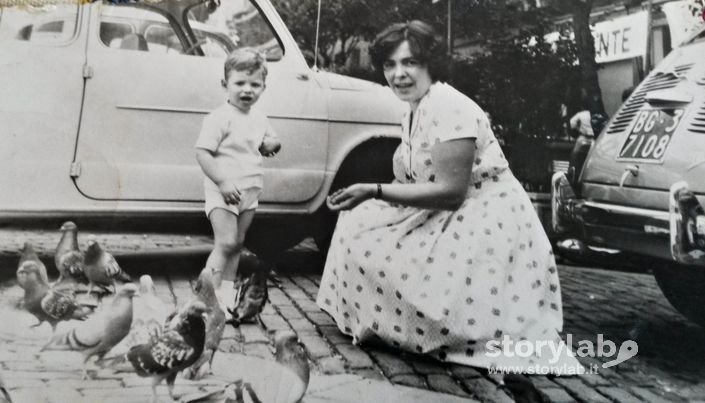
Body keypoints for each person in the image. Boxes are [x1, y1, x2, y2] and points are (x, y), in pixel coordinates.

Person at [316, 21, 582, 373]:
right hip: (445, 210)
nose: (399, 74)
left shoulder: (448, 106)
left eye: (410, 63)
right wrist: (375, 198)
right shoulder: (413, 108)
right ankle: (388, 320)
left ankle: (420, 326)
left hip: (484, 219)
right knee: (359, 219)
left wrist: (373, 190)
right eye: (390, 65)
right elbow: (414, 177)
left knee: (382, 241)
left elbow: (450, 192)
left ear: (430, 63)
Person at [195, 48, 281, 312]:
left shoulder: (258, 117)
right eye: (240, 83)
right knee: (226, 243)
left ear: (264, 87)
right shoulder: (220, 118)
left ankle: (225, 299)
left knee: (238, 244)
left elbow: (272, 138)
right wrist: (222, 181)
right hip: (225, 191)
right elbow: (202, 152)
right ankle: (204, 297)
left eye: (255, 84)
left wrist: (272, 144)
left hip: (250, 190)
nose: (247, 90)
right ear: (225, 85)